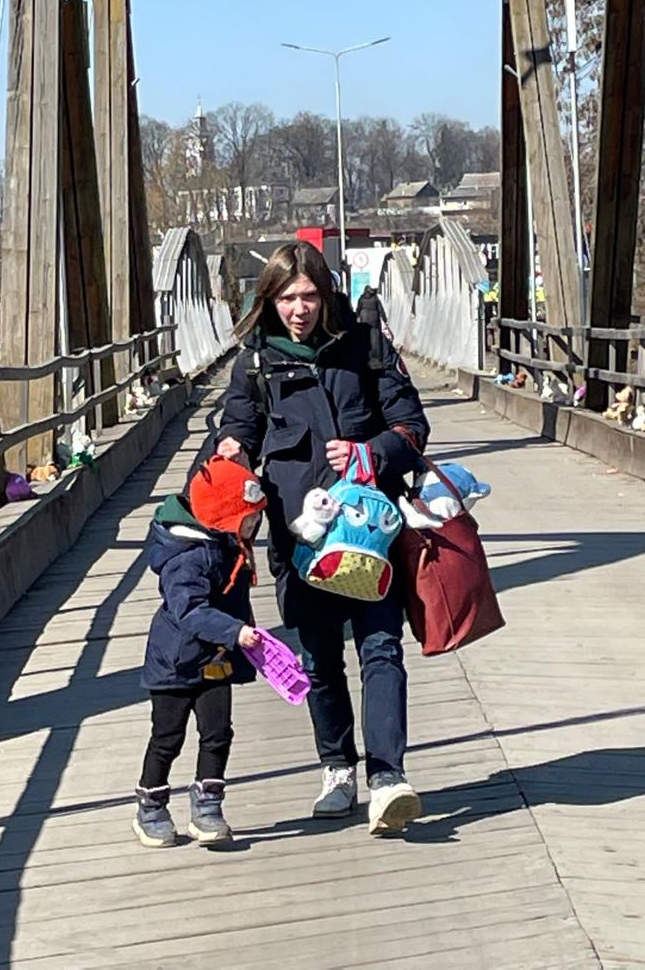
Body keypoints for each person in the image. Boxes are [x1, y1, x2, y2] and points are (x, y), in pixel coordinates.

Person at [216, 240, 431, 836]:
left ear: (327, 294)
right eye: (287, 297)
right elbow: (238, 427)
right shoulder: (256, 362)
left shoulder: (364, 346)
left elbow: (412, 424)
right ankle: (337, 768)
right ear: (270, 300)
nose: (300, 309)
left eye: (310, 295)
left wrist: (371, 453)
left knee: (381, 648)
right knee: (318, 656)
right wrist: (230, 452)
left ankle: (388, 777)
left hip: (367, 530)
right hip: (298, 537)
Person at [135, 457, 267, 848]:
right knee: (167, 737)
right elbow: (189, 610)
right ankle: (151, 805)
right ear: (224, 516)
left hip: (215, 659)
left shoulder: (227, 545)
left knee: (217, 733)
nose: (255, 525)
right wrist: (235, 631)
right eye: (250, 517)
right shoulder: (188, 559)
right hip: (174, 664)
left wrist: (242, 639)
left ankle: (208, 806)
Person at [355, 283, 392, 359]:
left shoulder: (361, 298)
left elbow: (358, 309)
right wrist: (385, 319)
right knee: (376, 338)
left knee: (365, 337)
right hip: (374, 320)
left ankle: (366, 354)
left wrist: (356, 317)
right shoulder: (375, 298)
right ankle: (377, 355)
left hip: (364, 319)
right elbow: (380, 309)